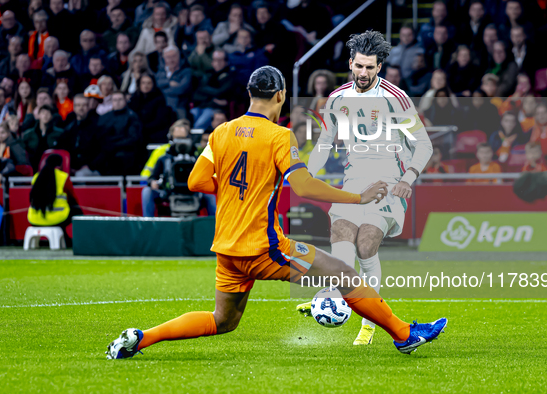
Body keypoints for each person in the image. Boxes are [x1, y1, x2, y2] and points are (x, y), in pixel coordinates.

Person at [106, 64, 447, 360]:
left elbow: (196, 181)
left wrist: (235, 188)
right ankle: (405, 335)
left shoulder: (221, 131)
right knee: (343, 274)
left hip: (227, 248)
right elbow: (305, 187)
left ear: (249, 93)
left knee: (222, 321)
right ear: (281, 95)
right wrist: (359, 197)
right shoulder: (280, 136)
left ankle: (141, 337)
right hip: (264, 246)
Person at [300, 31, 434, 346]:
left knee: (366, 245)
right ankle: (334, 297)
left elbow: (424, 145)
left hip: (390, 181)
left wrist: (408, 178)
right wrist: (305, 173)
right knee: (342, 238)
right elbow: (324, 143)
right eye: (359, 67)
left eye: (370, 68)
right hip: (354, 182)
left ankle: (369, 324)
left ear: (380, 67)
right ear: (350, 63)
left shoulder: (396, 98)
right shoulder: (337, 98)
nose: (363, 73)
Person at [27, 154, 82, 246]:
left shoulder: (36, 177)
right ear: (60, 165)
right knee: (78, 212)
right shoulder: (63, 177)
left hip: (34, 220)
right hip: (59, 219)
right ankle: (79, 241)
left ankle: (64, 239)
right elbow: (72, 198)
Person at [141, 119, 193, 217]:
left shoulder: (195, 157)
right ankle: (148, 226)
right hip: (169, 192)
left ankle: (215, 228)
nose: (179, 142)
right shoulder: (164, 158)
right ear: (171, 138)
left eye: (182, 138)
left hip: (191, 192)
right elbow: (151, 177)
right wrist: (152, 182)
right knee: (147, 192)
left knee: (210, 196)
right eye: (176, 138)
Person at [93, 91, 142, 175]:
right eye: (115, 100)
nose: (118, 102)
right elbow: (99, 137)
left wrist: (114, 145)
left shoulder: (132, 116)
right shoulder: (104, 117)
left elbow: (133, 138)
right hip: (106, 151)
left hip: (125, 152)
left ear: (125, 100)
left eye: (120, 99)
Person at [56, 94, 100, 175]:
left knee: (80, 175)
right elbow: (62, 148)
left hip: (90, 169)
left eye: (84, 105)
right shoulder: (68, 128)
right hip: (70, 167)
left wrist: (90, 166)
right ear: (74, 108)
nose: (81, 108)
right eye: (78, 105)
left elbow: (102, 151)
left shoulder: (97, 126)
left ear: (88, 107)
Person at [128, 73, 173, 144]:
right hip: (137, 132)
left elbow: (160, 121)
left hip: (154, 132)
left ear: (153, 84)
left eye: (149, 83)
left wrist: (142, 128)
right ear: (139, 85)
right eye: (143, 83)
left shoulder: (159, 98)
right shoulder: (134, 99)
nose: (146, 86)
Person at [21, 104, 64, 171]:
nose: (45, 115)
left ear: (52, 116)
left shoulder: (59, 134)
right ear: (38, 115)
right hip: (32, 165)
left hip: (52, 167)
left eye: (48, 113)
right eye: (43, 113)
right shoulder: (28, 134)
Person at [156, 46, 191, 119]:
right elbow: (156, 85)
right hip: (161, 106)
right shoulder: (161, 72)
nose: (171, 60)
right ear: (164, 58)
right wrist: (169, 82)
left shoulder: (186, 71)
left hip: (179, 106)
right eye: (168, 57)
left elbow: (181, 89)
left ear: (179, 56)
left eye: (174, 56)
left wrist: (164, 88)